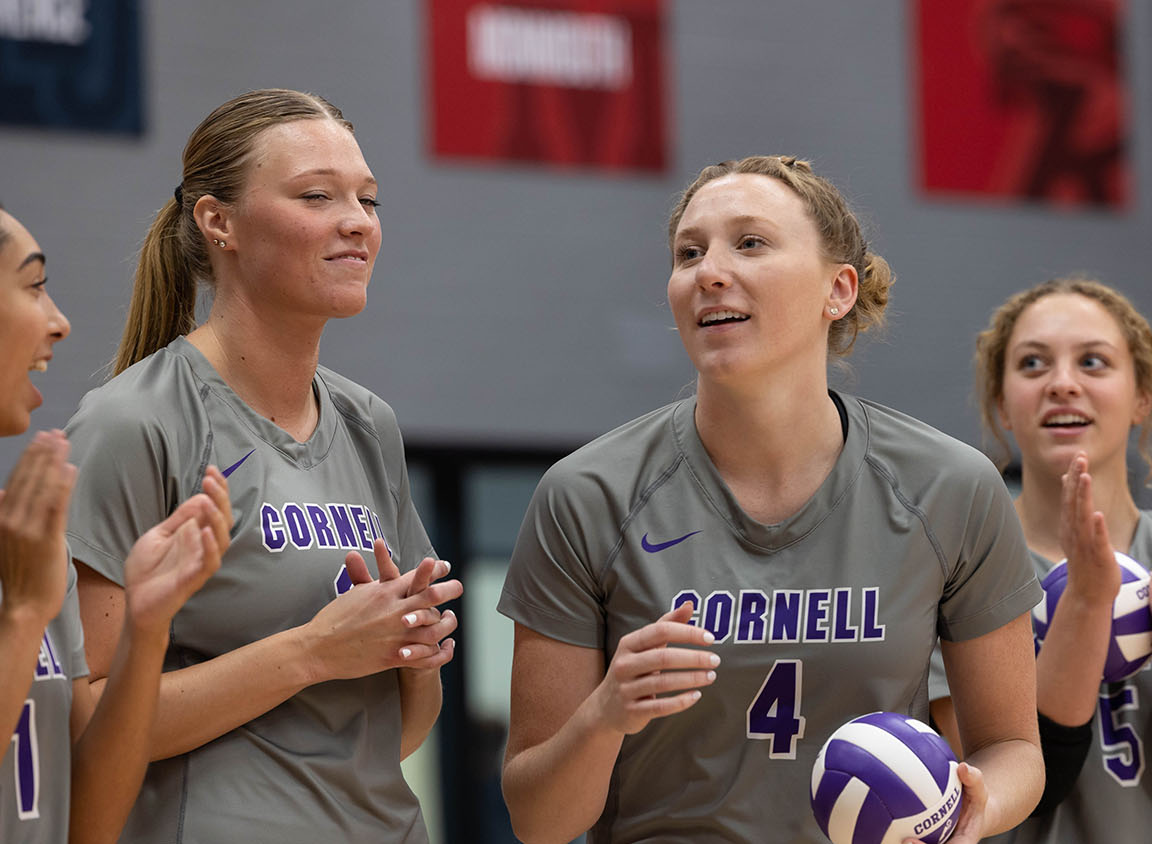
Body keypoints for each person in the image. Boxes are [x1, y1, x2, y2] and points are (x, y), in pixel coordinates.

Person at [497, 155, 1045, 842]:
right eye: (689, 253)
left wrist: (975, 808)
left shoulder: (952, 487)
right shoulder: (586, 495)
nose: (709, 272)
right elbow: (538, 820)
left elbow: (1013, 748)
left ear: (838, 290)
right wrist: (604, 715)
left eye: (750, 242)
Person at [63, 89, 463, 844]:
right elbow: (88, 722)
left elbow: (397, 733)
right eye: (317, 196)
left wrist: (413, 653)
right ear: (218, 222)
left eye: (368, 199)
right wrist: (315, 651)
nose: (358, 221)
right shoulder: (134, 421)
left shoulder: (367, 422)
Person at [929, 277, 1152, 843]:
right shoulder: (956, 561)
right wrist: (1088, 604)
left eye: (1093, 362)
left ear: (1142, 397)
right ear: (1002, 404)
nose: (1062, 383)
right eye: (1033, 364)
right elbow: (1002, 799)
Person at [0, 204, 230, 843]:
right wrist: (23, 614)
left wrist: (147, 631)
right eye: (33, 286)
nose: (59, 322)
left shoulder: (32, 542)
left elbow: (90, 824)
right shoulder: (28, 576)